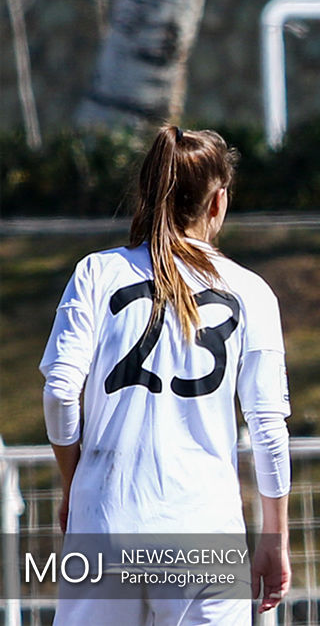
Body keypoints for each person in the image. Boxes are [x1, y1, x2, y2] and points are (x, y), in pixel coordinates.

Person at [39, 125, 292, 625]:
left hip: (105, 521)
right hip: (204, 528)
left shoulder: (97, 272)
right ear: (218, 202)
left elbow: (59, 393)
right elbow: (269, 430)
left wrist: (77, 481)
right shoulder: (251, 291)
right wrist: (274, 538)